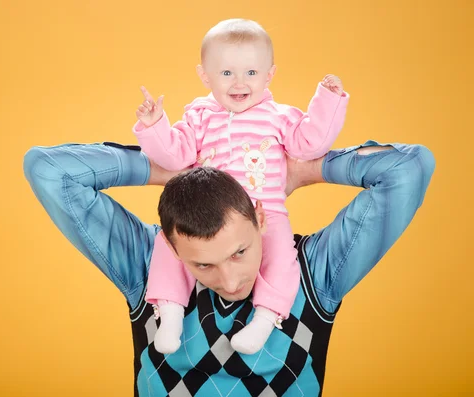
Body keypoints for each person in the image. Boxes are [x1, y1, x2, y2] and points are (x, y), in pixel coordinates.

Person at [23, 139, 434, 396]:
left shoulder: (313, 271)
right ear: (169, 244)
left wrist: (306, 170)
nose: (231, 280)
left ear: (260, 217)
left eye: (240, 252)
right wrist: (176, 174)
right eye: (204, 264)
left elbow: (408, 168)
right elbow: (48, 169)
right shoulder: (148, 264)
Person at [132, 18, 349, 355]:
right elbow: (176, 155)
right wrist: (154, 126)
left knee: (281, 258)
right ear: (205, 76)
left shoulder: (278, 116)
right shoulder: (200, 117)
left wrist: (328, 102)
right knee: (170, 244)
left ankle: (264, 320)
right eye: (226, 73)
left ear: (269, 75)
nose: (239, 83)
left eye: (251, 73)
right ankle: (170, 314)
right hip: (208, 210)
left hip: (266, 212)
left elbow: (309, 144)